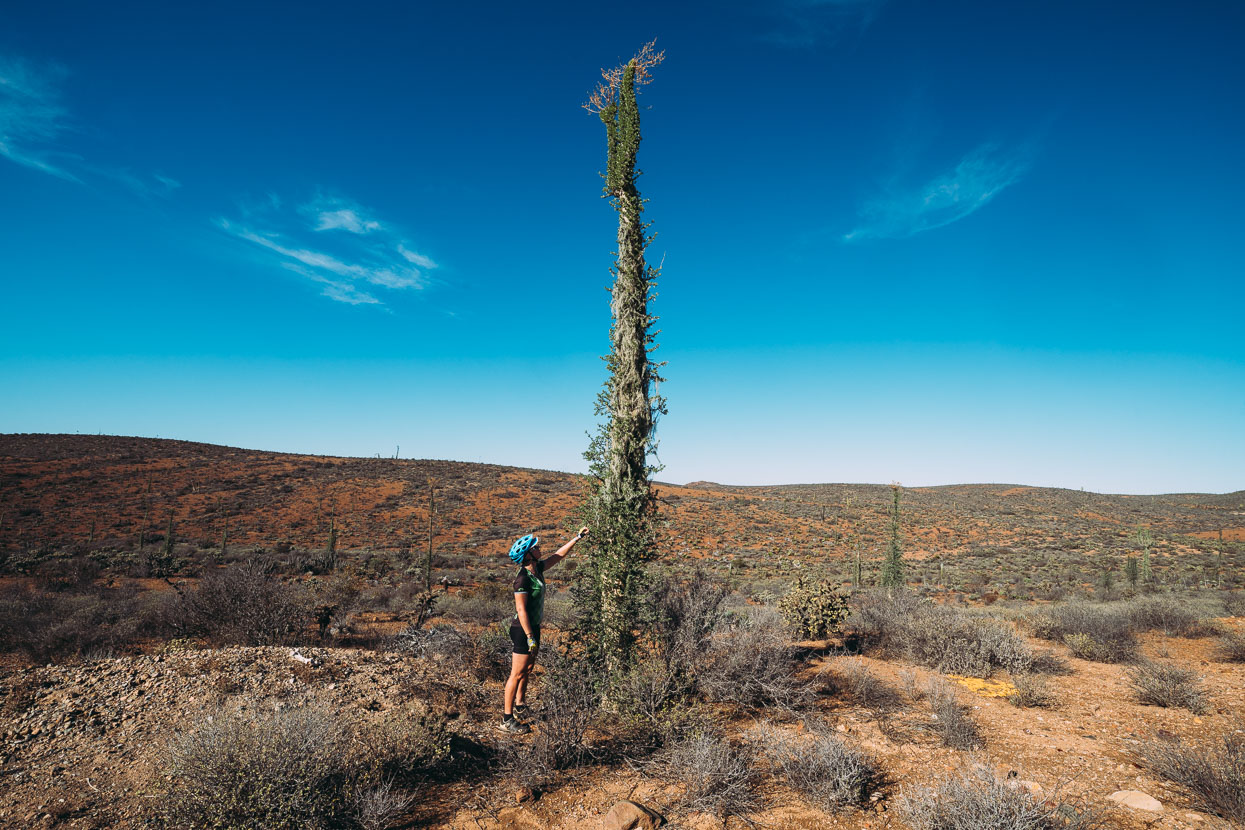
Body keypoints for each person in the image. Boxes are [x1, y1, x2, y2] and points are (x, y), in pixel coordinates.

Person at [498, 525, 589, 734]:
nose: (540, 548)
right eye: (536, 547)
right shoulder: (522, 579)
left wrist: (577, 538)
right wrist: (530, 637)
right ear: (528, 554)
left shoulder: (537, 569)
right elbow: (521, 611)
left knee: (527, 670)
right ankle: (506, 719)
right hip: (523, 630)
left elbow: (558, 556)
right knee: (516, 673)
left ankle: (520, 705)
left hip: (534, 628)